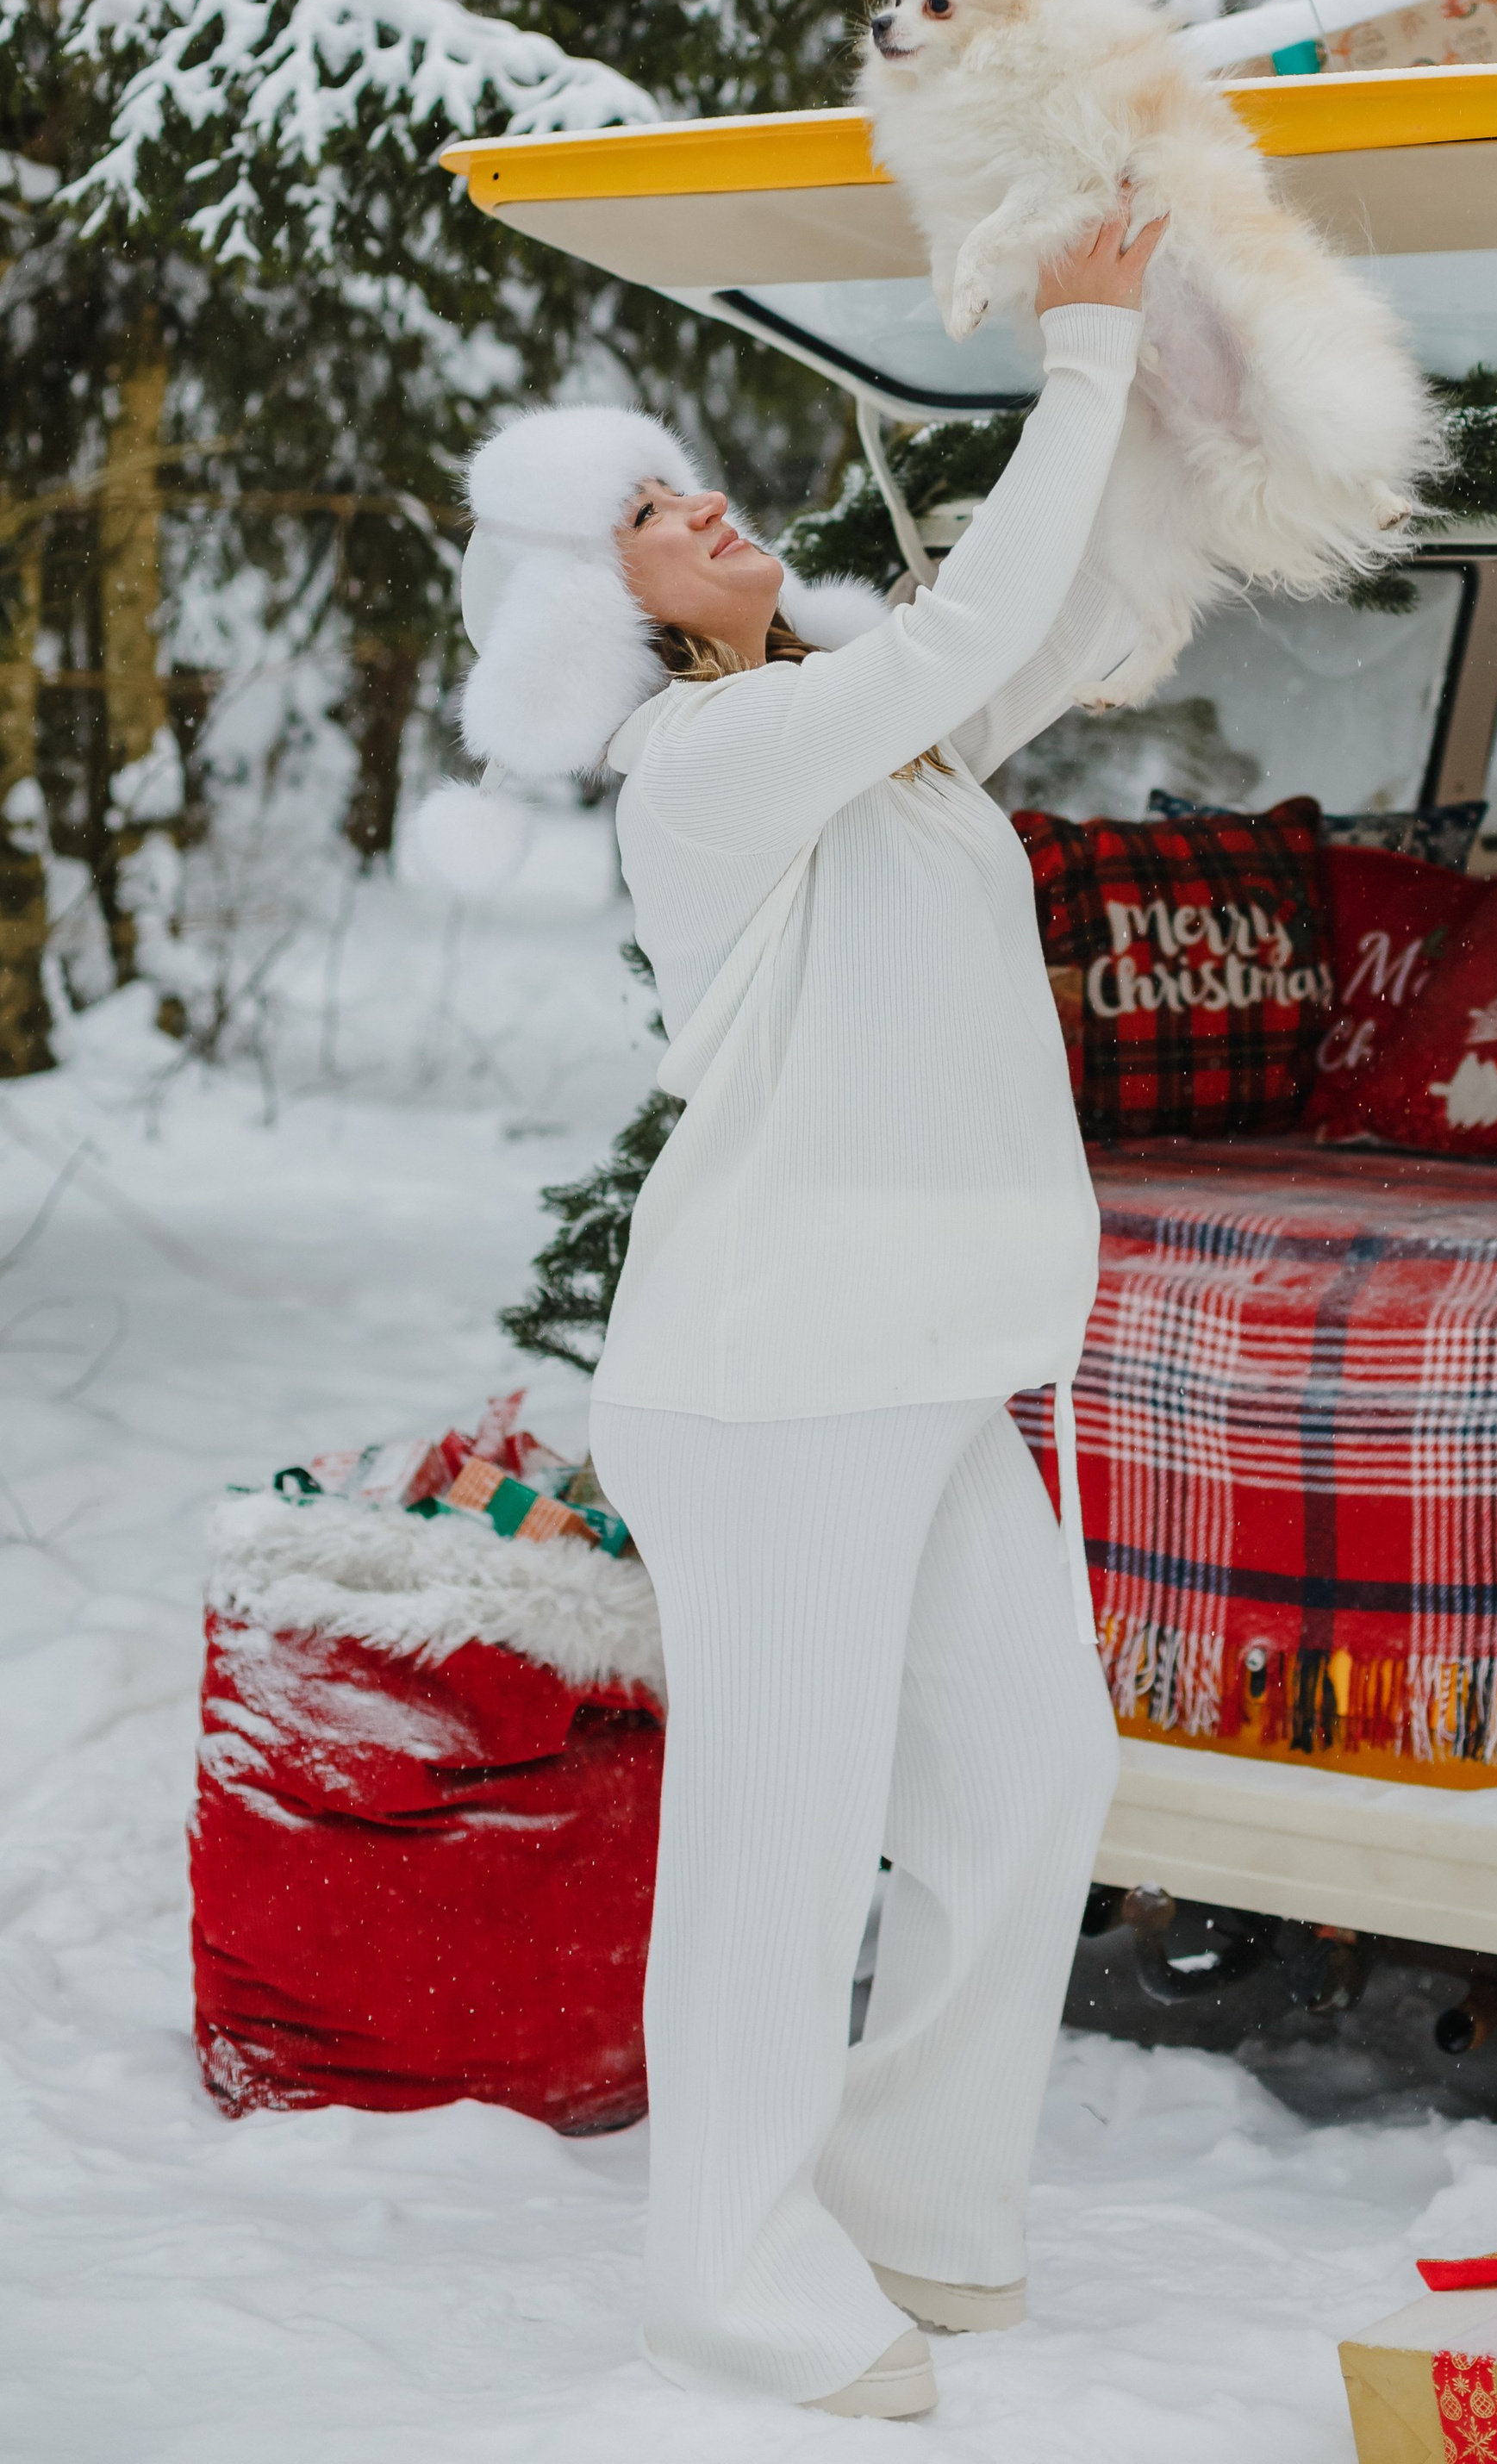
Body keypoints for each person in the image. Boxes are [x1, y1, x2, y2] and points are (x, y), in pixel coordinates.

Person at [450, 196, 1164, 2420]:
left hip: (925, 1369)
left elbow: (1048, 625)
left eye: (688, 477)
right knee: (778, 1840)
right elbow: (959, 646)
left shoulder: (874, 744)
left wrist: (1172, 370)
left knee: (1038, 1772)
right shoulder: (710, 768)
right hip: (772, 1382)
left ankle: (908, 2198)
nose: (702, 502)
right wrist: (1084, 360)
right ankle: (731, 2268)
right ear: (612, 617)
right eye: (654, 517)